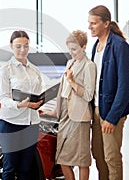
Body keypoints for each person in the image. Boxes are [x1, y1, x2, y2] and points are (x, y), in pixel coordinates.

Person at [88, 5, 129, 180]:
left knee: (111, 157)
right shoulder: (96, 46)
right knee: (98, 155)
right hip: (96, 108)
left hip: (111, 111)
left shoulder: (119, 45)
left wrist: (112, 118)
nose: (90, 27)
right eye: (89, 23)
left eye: (93, 23)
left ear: (106, 23)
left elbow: (125, 86)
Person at [46, 30, 96, 180]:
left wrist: (73, 82)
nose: (71, 53)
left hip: (79, 117)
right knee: (62, 157)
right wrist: (56, 109)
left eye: (74, 49)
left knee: (81, 160)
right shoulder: (70, 63)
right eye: (69, 49)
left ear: (84, 47)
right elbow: (63, 89)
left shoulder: (89, 66)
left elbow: (88, 95)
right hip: (65, 114)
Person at [0, 30, 44, 180]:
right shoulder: (6, 69)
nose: (22, 50)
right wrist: (19, 105)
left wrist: (39, 103)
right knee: (10, 167)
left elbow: (38, 92)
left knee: (26, 169)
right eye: (18, 46)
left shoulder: (35, 70)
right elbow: (3, 98)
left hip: (31, 123)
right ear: (11, 46)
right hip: (10, 123)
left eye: (26, 46)